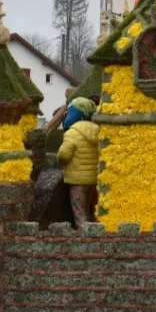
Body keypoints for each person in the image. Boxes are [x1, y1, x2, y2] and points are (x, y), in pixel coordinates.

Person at [56, 97, 99, 228]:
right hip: (94, 179)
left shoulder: (72, 133)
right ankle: (95, 233)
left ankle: (83, 235)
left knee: (79, 211)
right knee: (90, 209)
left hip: (77, 180)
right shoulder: (98, 131)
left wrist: (61, 160)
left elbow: (63, 155)